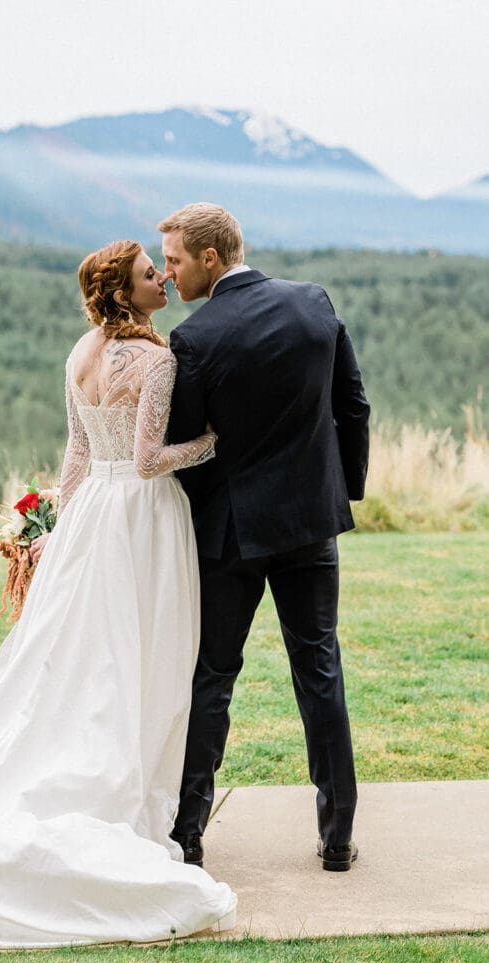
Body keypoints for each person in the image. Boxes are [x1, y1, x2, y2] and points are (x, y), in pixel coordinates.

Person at [0, 240, 237, 948]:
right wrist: (213, 442)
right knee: (145, 649)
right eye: (147, 274)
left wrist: (59, 533)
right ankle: (123, 780)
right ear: (125, 294)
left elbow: (75, 455)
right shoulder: (156, 361)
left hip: (92, 512)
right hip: (142, 516)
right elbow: (149, 460)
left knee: (77, 646)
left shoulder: (79, 352)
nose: (162, 278)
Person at [159, 203, 370, 873]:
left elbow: (183, 449)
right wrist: (342, 490)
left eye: (174, 260)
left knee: (212, 678)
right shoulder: (312, 304)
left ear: (210, 258)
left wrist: (194, 519)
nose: (168, 273)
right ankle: (337, 837)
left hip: (230, 535)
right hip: (309, 523)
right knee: (319, 670)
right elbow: (352, 406)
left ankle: (188, 835)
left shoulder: (194, 339)